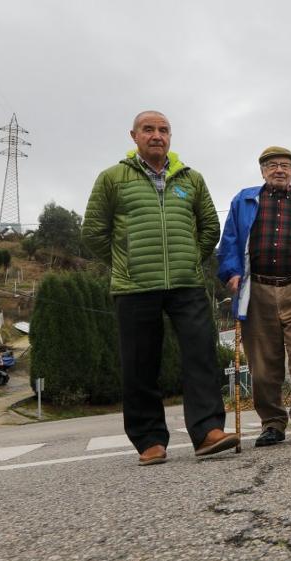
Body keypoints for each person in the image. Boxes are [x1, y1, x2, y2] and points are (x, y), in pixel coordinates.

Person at [82, 110, 239, 466]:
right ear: (134, 136)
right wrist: (126, 261)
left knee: (201, 355)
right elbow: (92, 231)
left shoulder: (191, 179)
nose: (157, 135)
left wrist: (190, 259)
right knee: (140, 363)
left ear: (171, 137)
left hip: (187, 283)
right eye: (148, 129)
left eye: (163, 130)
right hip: (134, 286)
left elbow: (210, 228)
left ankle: (208, 432)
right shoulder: (112, 178)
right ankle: (149, 440)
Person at [217, 147, 291, 447]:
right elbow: (229, 241)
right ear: (262, 171)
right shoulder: (244, 200)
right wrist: (230, 272)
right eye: (272, 165)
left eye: (285, 165)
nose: (279, 170)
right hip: (258, 290)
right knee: (263, 364)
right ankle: (272, 423)